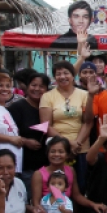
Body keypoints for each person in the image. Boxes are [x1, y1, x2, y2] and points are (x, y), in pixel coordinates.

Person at [32, 137, 103, 213]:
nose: (56, 154)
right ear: (47, 153)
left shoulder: (70, 170)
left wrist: (93, 204)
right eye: (53, 151)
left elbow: (77, 195)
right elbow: (36, 204)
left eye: (61, 151)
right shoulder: (39, 174)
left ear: (67, 154)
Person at [39, 60, 94, 193]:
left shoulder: (85, 94)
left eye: (66, 73)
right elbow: (46, 126)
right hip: (58, 150)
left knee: (81, 185)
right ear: (54, 77)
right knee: (58, 185)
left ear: (73, 75)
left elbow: (88, 121)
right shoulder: (47, 96)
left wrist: (77, 143)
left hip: (80, 148)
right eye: (58, 74)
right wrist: (67, 144)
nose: (62, 76)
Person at [7, 72, 50, 196]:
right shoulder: (17, 107)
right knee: (30, 199)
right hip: (26, 165)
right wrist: (25, 141)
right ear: (27, 86)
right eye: (33, 85)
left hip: (48, 165)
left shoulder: (49, 107)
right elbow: (7, 133)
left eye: (41, 86)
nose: (37, 89)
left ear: (47, 89)